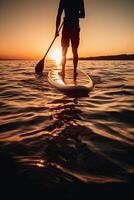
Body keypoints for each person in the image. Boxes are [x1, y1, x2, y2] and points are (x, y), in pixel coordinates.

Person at [55, 0, 85, 79]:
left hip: (70, 27)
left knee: (65, 49)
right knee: (73, 50)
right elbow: (82, 14)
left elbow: (59, 15)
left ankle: (64, 71)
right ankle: (73, 72)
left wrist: (56, 30)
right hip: (73, 27)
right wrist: (56, 30)